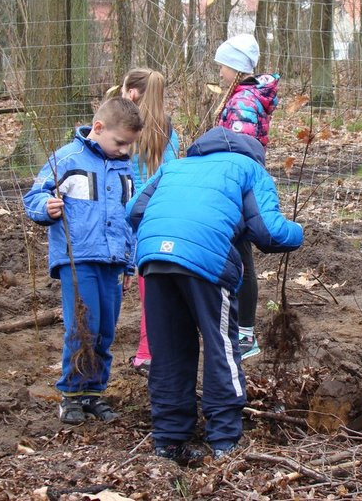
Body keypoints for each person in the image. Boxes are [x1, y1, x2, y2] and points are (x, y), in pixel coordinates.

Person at [127, 127, 302, 463]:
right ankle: (224, 439)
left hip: (154, 257)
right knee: (221, 345)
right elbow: (270, 233)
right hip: (206, 261)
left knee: (168, 349)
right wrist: (299, 231)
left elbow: (134, 211)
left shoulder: (174, 167)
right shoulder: (249, 169)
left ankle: (169, 440)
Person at [23, 96, 142, 425]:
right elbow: (34, 196)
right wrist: (45, 207)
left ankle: (93, 392)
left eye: (129, 145)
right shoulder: (67, 158)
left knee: (105, 329)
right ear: (98, 128)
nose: (124, 150)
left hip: (113, 261)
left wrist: (129, 262)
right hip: (78, 259)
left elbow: (128, 218)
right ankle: (72, 394)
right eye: (120, 142)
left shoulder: (123, 167)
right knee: (82, 327)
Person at [213, 33, 280, 360]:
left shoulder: (242, 103)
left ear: (236, 67)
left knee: (240, 258)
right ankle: (238, 329)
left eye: (223, 66)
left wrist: (226, 189)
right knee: (237, 256)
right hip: (237, 186)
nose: (220, 72)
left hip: (236, 188)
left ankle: (244, 334)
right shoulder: (245, 97)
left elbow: (238, 153)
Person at [117, 68, 180, 375]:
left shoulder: (124, 132)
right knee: (157, 293)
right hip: (162, 218)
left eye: (122, 89)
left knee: (144, 292)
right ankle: (160, 351)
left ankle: (146, 354)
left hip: (132, 220)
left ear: (131, 94)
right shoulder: (169, 132)